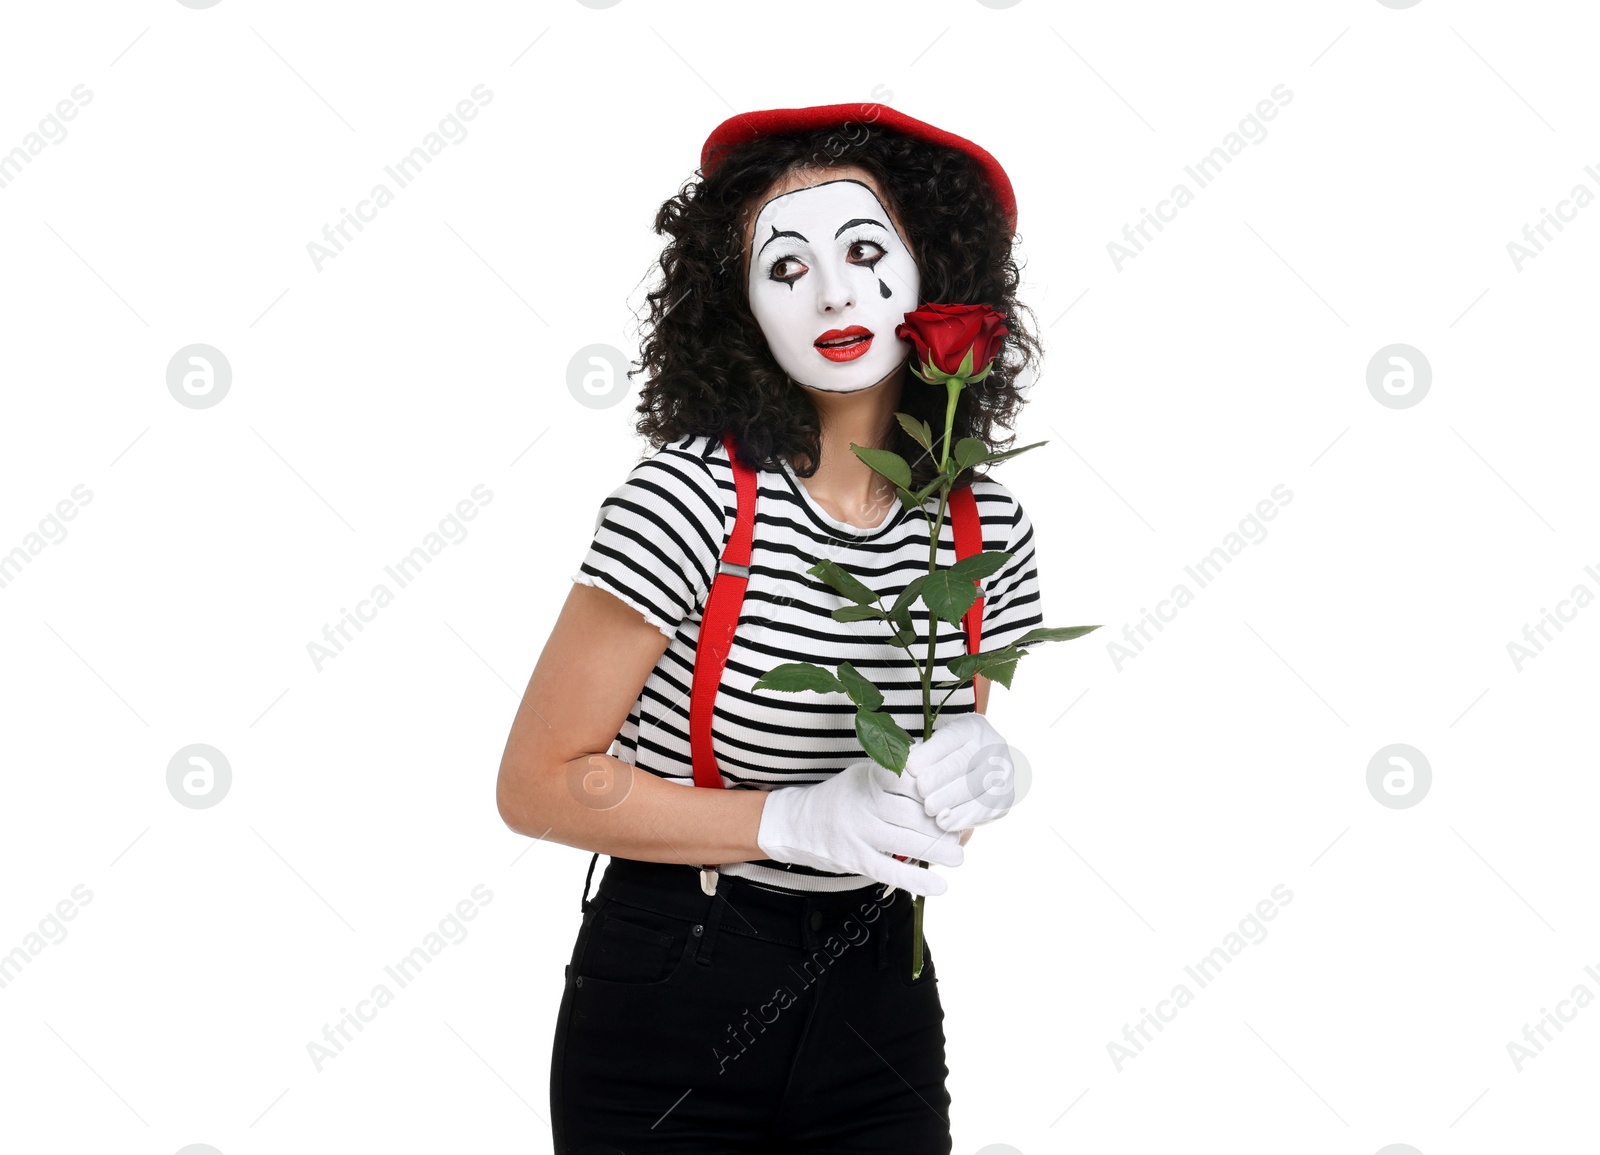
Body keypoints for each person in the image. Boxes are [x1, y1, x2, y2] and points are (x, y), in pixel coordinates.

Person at [496, 101, 1045, 1154]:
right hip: (674, 978)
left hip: (879, 987)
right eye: (784, 267)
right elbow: (535, 781)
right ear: (738, 306)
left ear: (936, 272)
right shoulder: (688, 499)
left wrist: (980, 772)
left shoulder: (986, 525)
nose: (832, 290)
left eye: (863, 249)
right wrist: (788, 822)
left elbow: (930, 812)